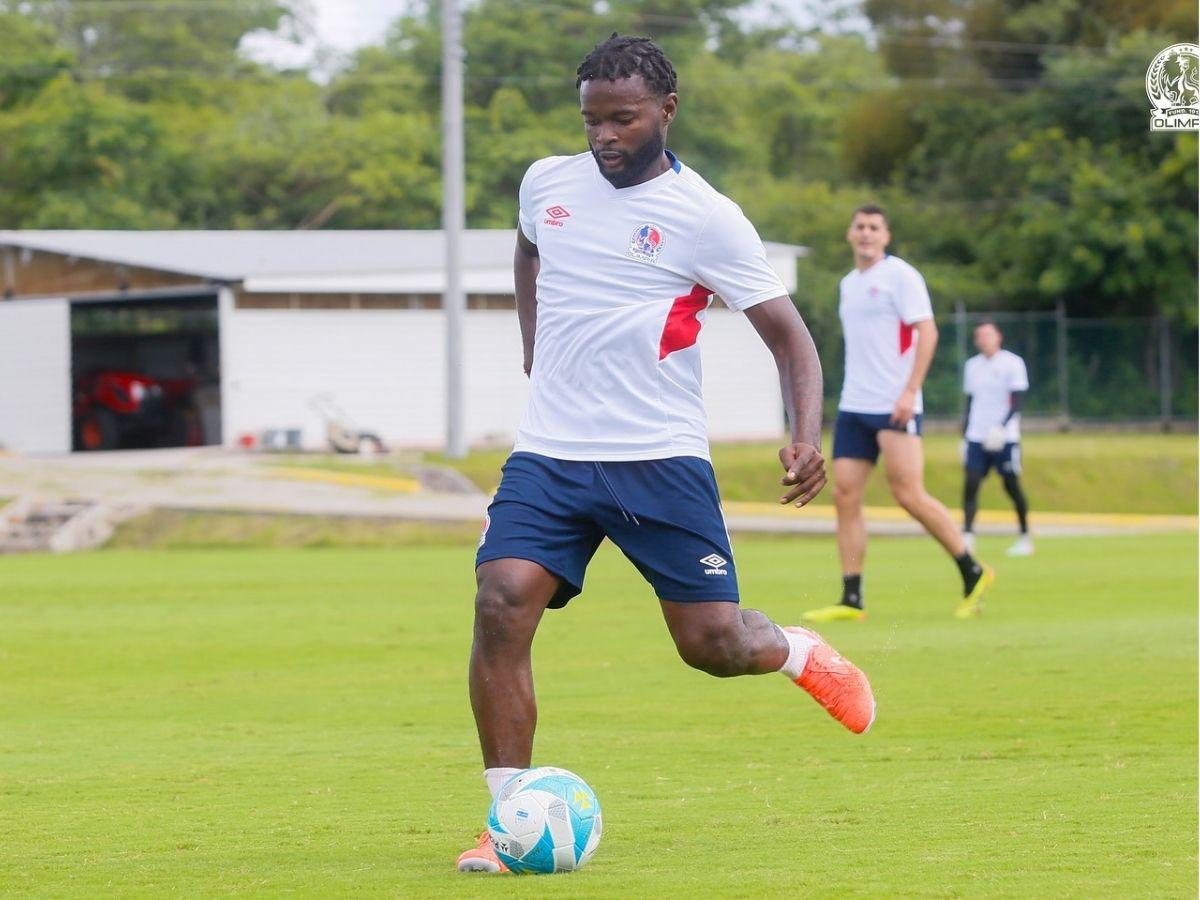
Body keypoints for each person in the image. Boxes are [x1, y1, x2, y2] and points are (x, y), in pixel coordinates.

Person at [457, 34, 876, 874]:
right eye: (591, 120)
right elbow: (529, 246)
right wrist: (532, 338)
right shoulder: (548, 182)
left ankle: (795, 650)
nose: (603, 136)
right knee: (502, 601)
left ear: (666, 111)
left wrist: (804, 434)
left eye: (622, 119)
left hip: (659, 458)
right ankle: (507, 820)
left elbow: (792, 342)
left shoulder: (708, 218)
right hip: (551, 451)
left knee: (711, 646)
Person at [801, 205, 993, 625]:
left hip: (895, 403)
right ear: (850, 234)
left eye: (874, 228)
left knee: (909, 494)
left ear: (886, 236)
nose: (866, 234)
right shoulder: (848, 284)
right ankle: (852, 597)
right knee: (845, 495)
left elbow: (928, 331)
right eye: (860, 227)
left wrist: (909, 392)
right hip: (855, 405)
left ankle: (972, 570)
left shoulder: (902, 277)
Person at [961, 321, 1032, 556]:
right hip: (977, 435)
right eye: (979, 335)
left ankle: (1024, 536)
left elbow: (1017, 400)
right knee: (971, 483)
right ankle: (968, 536)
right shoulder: (972, 366)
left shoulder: (1012, 363)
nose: (983, 339)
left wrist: (1001, 428)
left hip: (1005, 437)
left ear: (998, 337)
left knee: (1011, 485)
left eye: (987, 334)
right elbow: (970, 402)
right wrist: (964, 435)